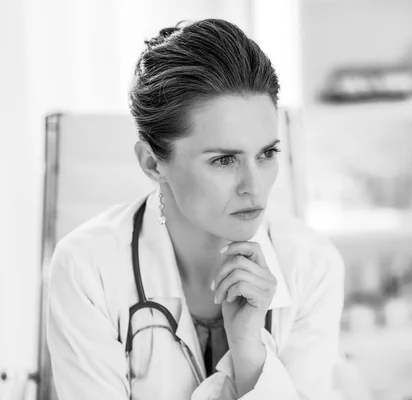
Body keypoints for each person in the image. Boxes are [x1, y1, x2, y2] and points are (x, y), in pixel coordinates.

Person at [46, 19, 346, 400]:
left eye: (267, 153)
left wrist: (249, 350)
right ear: (153, 164)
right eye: (224, 160)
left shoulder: (313, 265)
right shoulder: (86, 269)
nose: (254, 187)